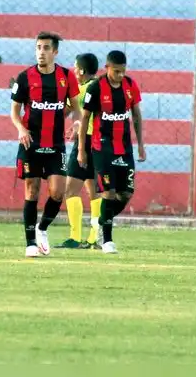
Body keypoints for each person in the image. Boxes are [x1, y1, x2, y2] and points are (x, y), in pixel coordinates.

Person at [10, 33, 82, 258]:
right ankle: (30, 242)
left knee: (58, 192)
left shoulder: (66, 76)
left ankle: (42, 229)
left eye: (46, 48)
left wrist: (78, 122)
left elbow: (76, 107)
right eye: (38, 47)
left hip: (56, 142)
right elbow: (14, 111)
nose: (41, 52)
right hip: (31, 141)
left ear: (55, 52)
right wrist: (21, 129)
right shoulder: (25, 77)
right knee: (31, 190)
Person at [78, 51, 146, 254]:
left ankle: (101, 221)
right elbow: (84, 120)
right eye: (116, 71)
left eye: (123, 71)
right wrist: (82, 149)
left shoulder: (130, 85)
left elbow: (136, 115)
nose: (120, 75)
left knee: (126, 194)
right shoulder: (96, 88)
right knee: (109, 192)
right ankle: (107, 241)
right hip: (102, 146)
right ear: (107, 67)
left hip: (124, 147)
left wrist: (141, 144)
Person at [58, 53, 101, 249]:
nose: (74, 71)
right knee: (94, 192)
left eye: (75, 68)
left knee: (70, 190)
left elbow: (64, 110)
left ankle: (75, 237)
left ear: (81, 71)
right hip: (100, 143)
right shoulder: (100, 87)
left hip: (85, 142)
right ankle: (94, 238)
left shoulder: (82, 90)